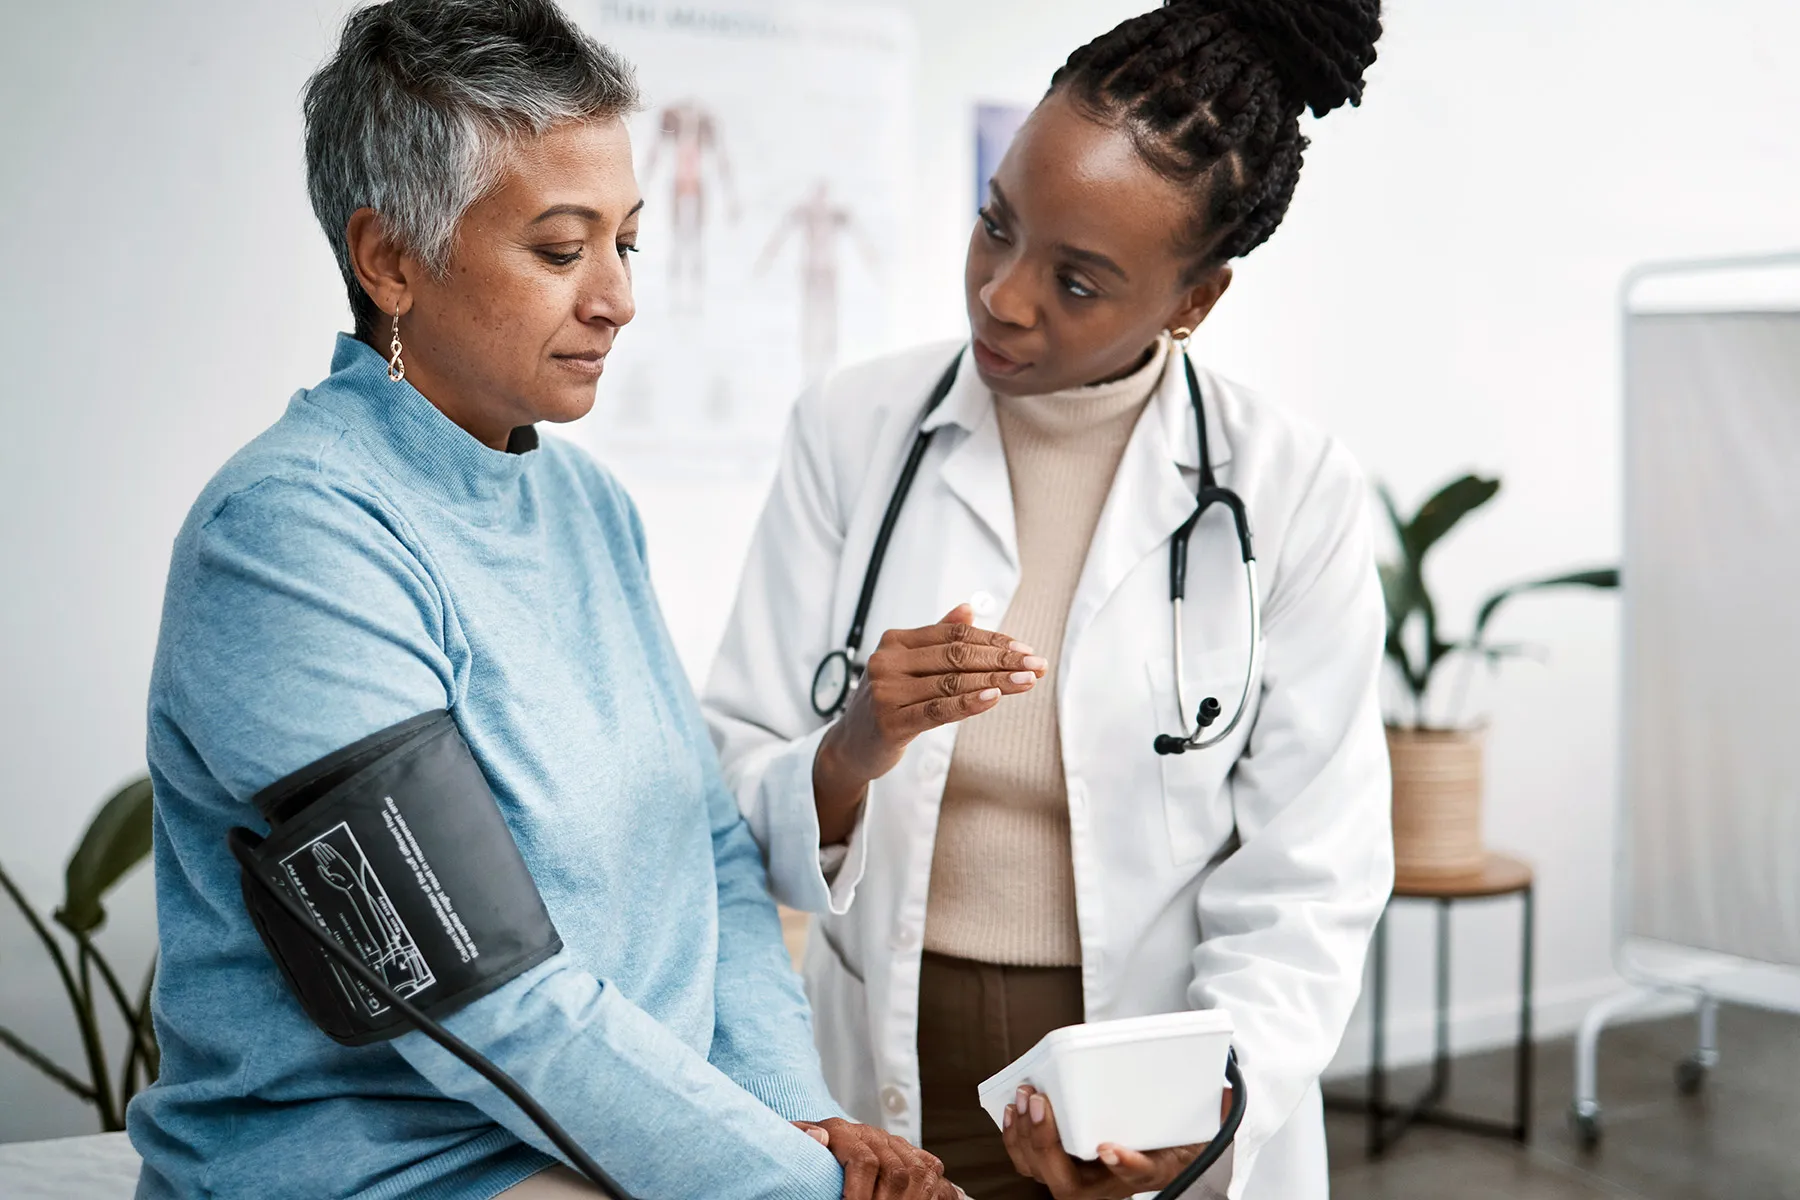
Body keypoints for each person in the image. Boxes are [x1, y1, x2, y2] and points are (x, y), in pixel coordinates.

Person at [127, 2, 957, 1197]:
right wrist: (797, 1186)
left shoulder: (587, 509)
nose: (616, 296)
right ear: (390, 259)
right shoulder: (291, 540)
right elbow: (483, 991)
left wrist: (799, 1120)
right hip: (398, 1170)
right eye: (563, 251)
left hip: (628, 1152)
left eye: (629, 243)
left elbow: (708, 859)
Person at [703, 2, 1392, 1197]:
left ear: (1196, 299)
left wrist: (1203, 1120)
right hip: (883, 1084)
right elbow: (728, 771)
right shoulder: (852, 431)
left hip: (1141, 1099)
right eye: (995, 226)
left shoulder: (1293, 495)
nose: (1003, 299)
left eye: (1075, 280)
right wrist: (852, 751)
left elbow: (1309, 884)